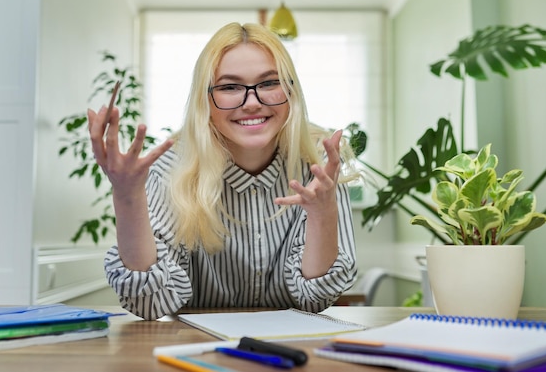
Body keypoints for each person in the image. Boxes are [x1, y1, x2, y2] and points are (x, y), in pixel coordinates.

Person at [88, 22, 360, 320]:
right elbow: (150, 302)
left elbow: (316, 298)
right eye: (230, 87)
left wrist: (323, 214)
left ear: (291, 92)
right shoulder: (170, 171)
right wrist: (127, 197)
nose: (253, 102)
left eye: (269, 83)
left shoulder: (320, 167)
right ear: (205, 101)